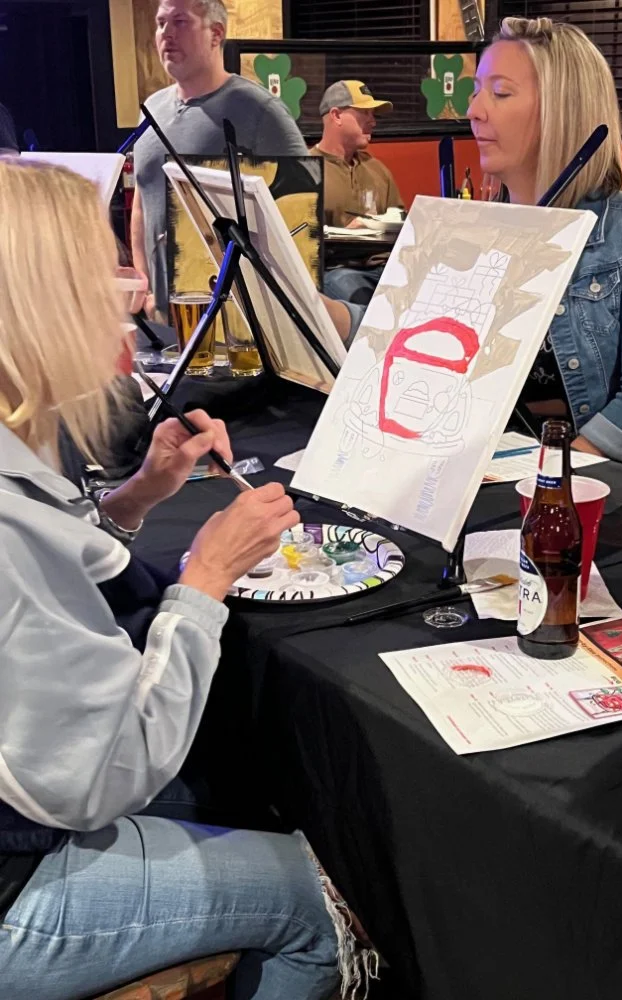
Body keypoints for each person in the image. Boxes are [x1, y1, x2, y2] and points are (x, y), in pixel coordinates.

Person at [0, 157, 340, 1000]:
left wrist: (135, 499)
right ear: (39, 303)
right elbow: (100, 776)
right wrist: (208, 578)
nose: (135, 295)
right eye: (102, 271)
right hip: (15, 889)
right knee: (319, 896)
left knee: (235, 792)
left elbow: (44, 590)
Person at [468, 16, 622, 462]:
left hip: (576, 486)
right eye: (476, 90)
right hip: (472, 473)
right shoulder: (474, 226)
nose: (474, 110)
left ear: (562, 110)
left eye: (500, 92)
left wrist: (550, 478)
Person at [132, 0, 309, 321]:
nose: (166, 34)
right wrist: (145, 291)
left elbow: (301, 218)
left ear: (216, 34)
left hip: (236, 323)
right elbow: (143, 202)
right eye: (160, 23)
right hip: (165, 319)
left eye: (180, 22)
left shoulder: (260, 111)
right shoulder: (151, 108)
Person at [311, 80, 403, 309]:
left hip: (386, 266)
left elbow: (401, 221)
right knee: (362, 298)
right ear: (336, 116)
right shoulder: (306, 170)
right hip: (339, 269)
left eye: (373, 114)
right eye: (365, 113)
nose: (373, 121)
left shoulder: (378, 169)